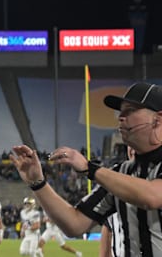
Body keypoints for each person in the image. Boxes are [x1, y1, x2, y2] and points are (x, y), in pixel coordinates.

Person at [11, 81, 162, 256]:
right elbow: (74, 225)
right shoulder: (120, 173)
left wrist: (90, 168)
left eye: (130, 111)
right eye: (120, 112)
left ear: (157, 120)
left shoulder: (116, 177)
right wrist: (37, 182)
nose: (120, 117)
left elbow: (152, 196)